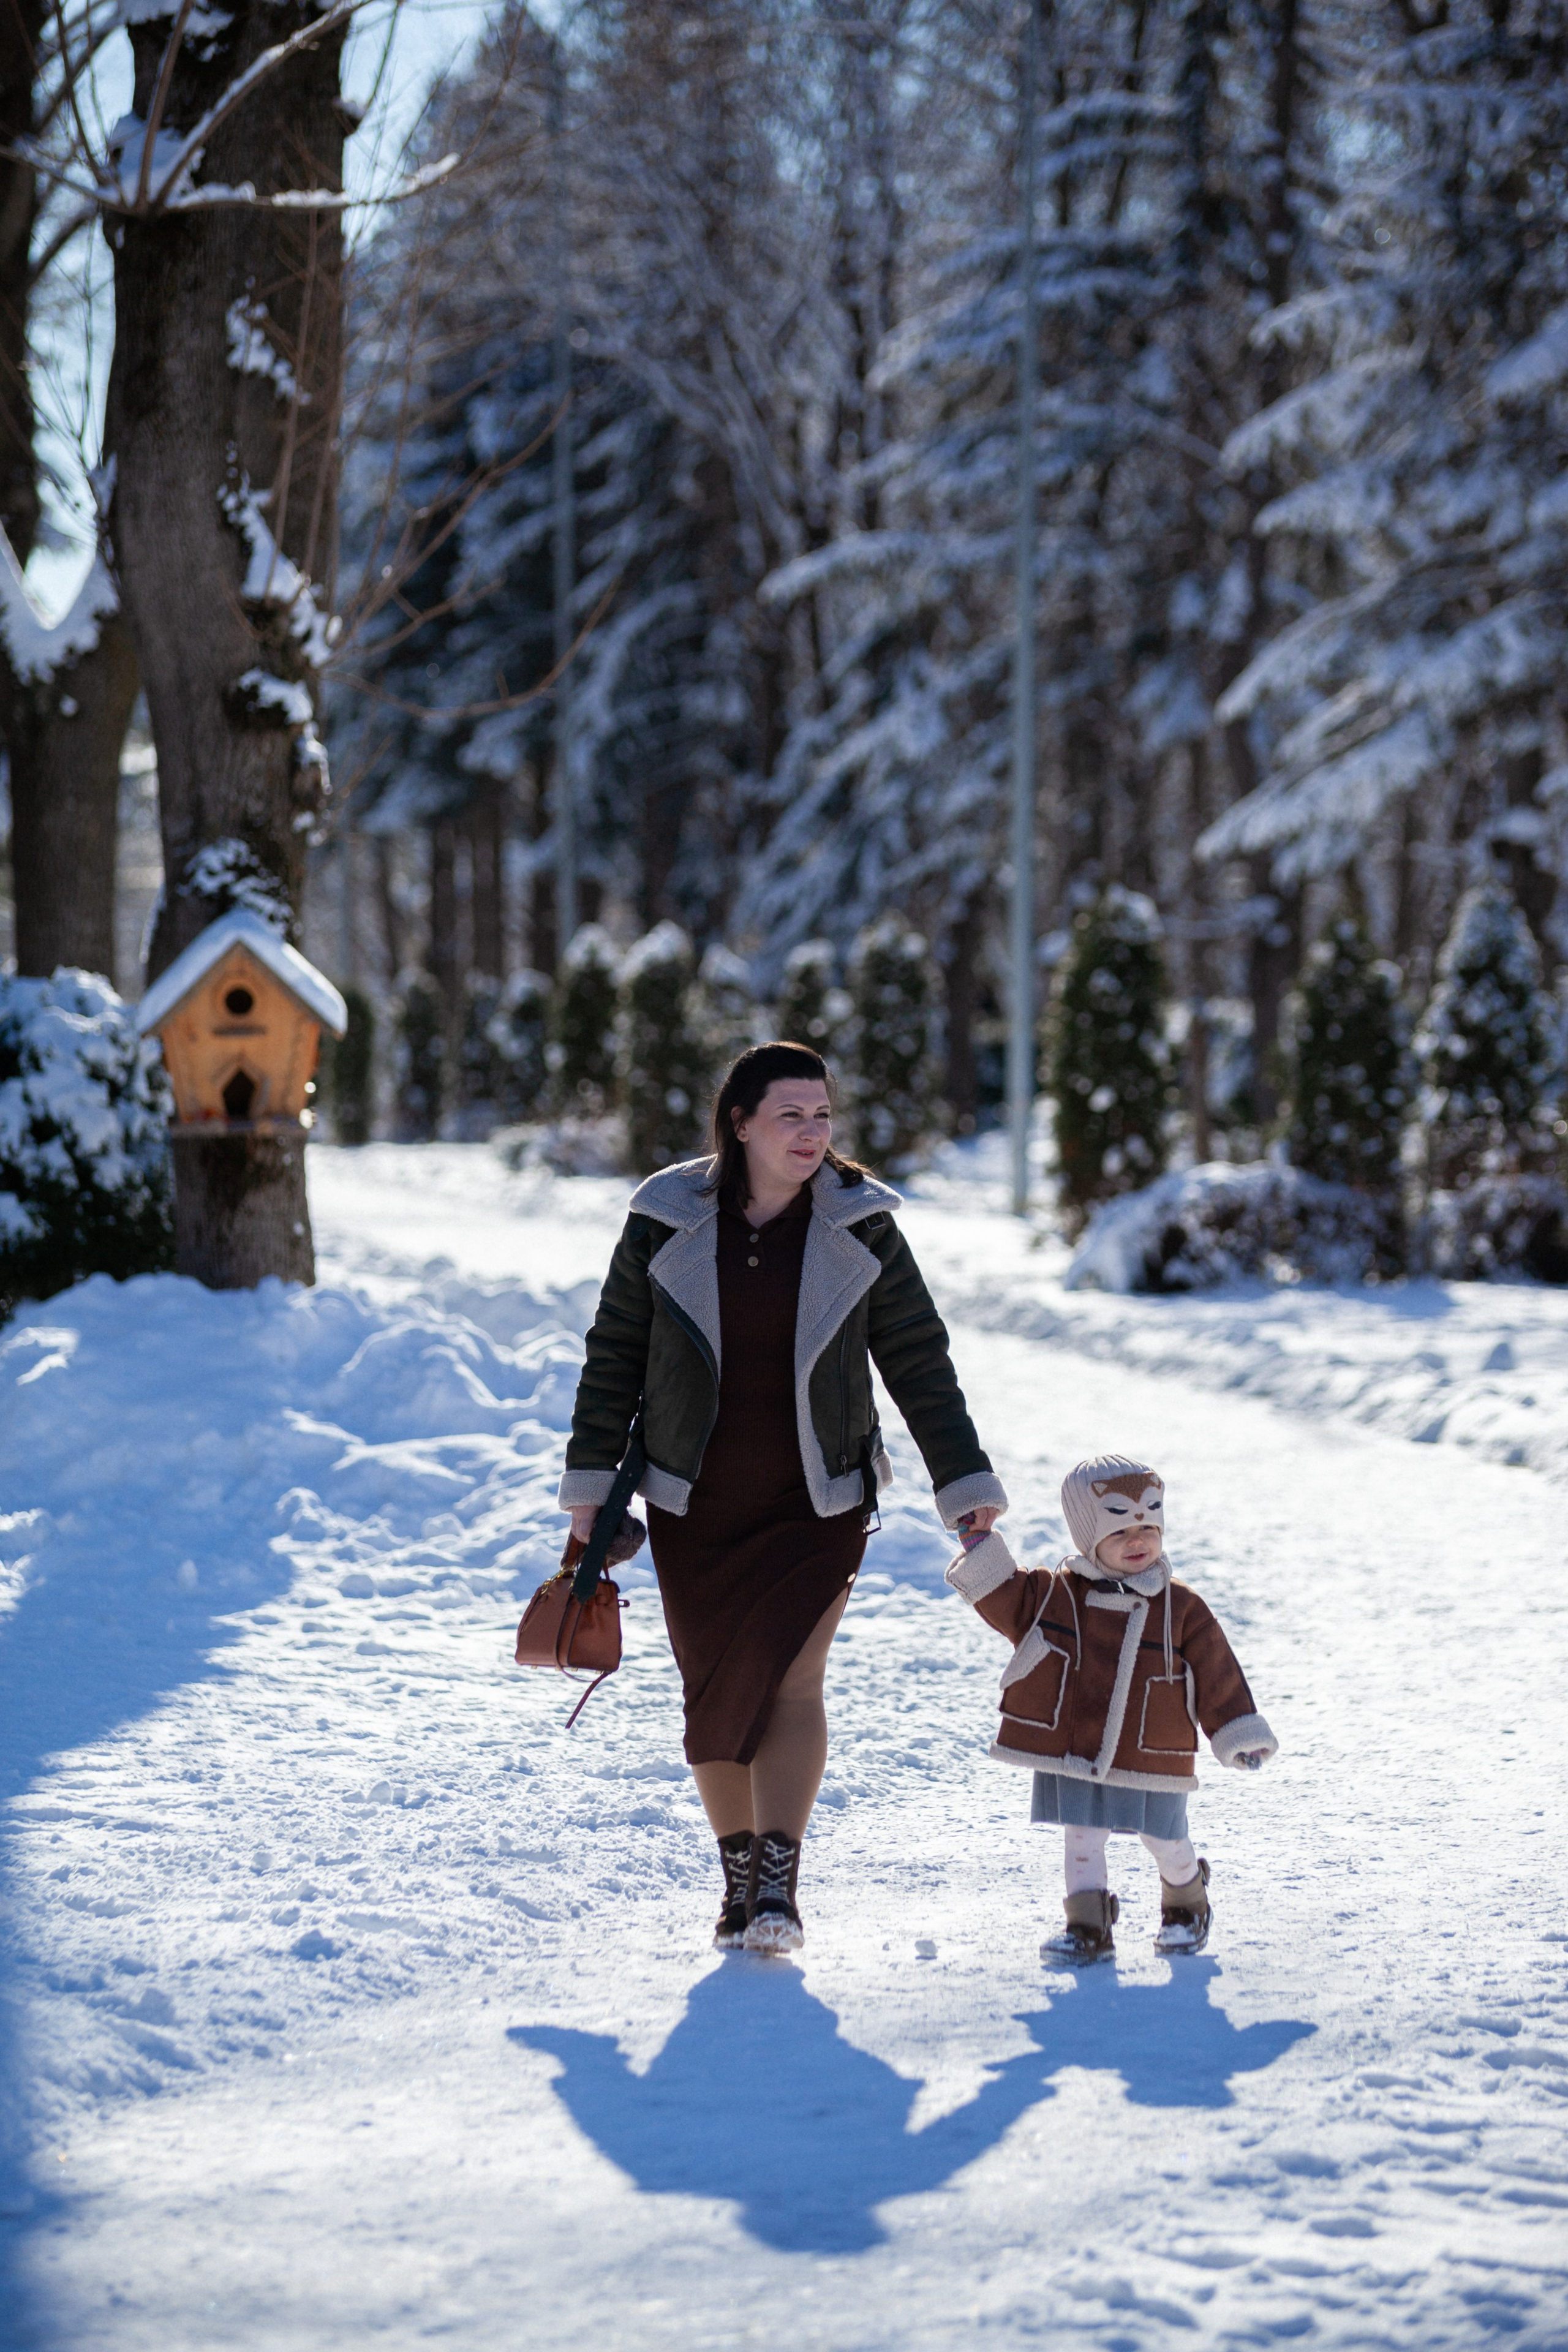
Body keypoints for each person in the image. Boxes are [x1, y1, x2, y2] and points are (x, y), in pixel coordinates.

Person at [560, 1041, 1007, 1954]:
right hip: (694, 1499)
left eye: (822, 1115)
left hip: (820, 1496)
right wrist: (593, 1487)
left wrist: (962, 1480)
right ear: (740, 1124)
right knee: (714, 1689)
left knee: (796, 1677)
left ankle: (776, 1886)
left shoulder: (861, 1225)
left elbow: (918, 1357)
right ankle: (736, 1880)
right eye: (790, 1116)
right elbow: (614, 1355)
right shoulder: (663, 1219)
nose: (811, 1134)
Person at [944, 1451, 1275, 1964]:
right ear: (1088, 1538)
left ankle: (1187, 1905)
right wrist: (977, 1541)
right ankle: (1087, 1926)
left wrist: (1238, 1733)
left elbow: (1218, 1673)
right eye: (1119, 1532)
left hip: (1152, 1746)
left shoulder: (1182, 1607)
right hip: (1077, 1743)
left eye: (1149, 1528)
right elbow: (1004, 1594)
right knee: (1082, 1837)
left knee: (1163, 1837)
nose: (1138, 1541)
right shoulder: (1056, 1595)